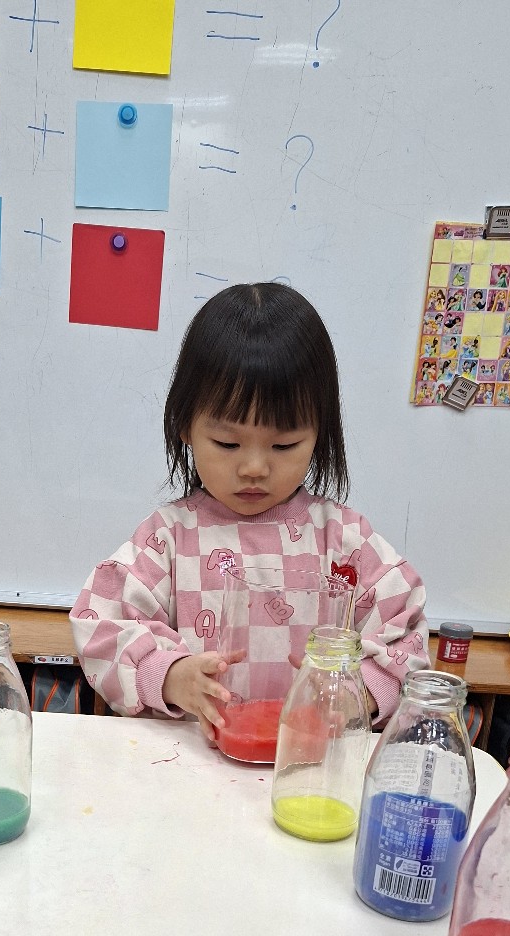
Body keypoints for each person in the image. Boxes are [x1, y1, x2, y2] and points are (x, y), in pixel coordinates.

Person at [71, 284, 429, 738]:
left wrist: (359, 693)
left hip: (309, 762)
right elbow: (99, 627)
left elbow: (407, 638)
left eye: (284, 445)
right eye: (227, 443)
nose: (254, 468)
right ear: (185, 426)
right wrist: (170, 675)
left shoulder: (344, 541)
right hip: (189, 762)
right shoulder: (169, 539)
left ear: (319, 433)